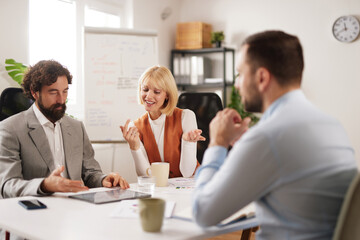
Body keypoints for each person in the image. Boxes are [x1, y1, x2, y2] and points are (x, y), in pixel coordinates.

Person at [192, 31, 357, 239]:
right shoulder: (332, 126)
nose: (236, 84)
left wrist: (217, 143)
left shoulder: (268, 137)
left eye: (240, 74)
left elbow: (203, 213)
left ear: (261, 77)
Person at [0, 60, 129, 199]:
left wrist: (104, 179)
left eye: (65, 91)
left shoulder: (76, 127)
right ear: (35, 92)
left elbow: (90, 173)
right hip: (37, 211)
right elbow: (8, 185)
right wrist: (44, 185)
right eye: (53, 92)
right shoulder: (10, 129)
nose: (61, 100)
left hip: (75, 207)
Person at [120, 65, 205, 178]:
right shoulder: (136, 127)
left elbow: (187, 173)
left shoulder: (186, 117)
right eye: (145, 89)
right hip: (162, 189)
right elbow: (146, 176)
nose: (148, 96)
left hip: (191, 186)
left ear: (167, 95)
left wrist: (187, 142)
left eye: (156, 92)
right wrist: (134, 148)